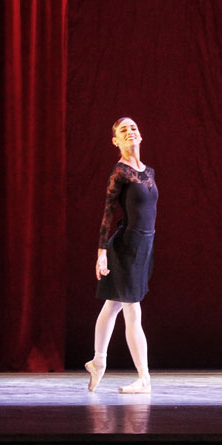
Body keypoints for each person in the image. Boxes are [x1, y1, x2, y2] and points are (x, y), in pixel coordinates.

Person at [84, 117, 157, 394]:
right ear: (116, 141)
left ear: (141, 136)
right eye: (123, 130)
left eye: (133, 128)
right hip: (125, 247)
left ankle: (98, 361)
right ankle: (144, 378)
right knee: (132, 310)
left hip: (144, 245)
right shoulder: (120, 172)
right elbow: (107, 213)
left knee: (113, 304)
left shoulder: (148, 172)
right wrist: (101, 253)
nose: (130, 132)